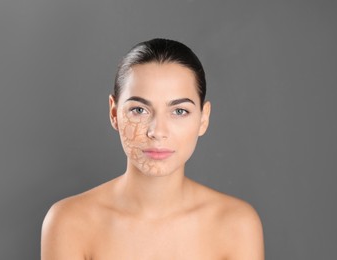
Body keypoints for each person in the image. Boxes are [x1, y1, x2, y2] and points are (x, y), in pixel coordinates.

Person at [41, 38, 264, 259]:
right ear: (114, 114)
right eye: (139, 110)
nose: (157, 131)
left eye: (179, 111)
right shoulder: (70, 222)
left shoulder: (237, 224)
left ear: (203, 119)